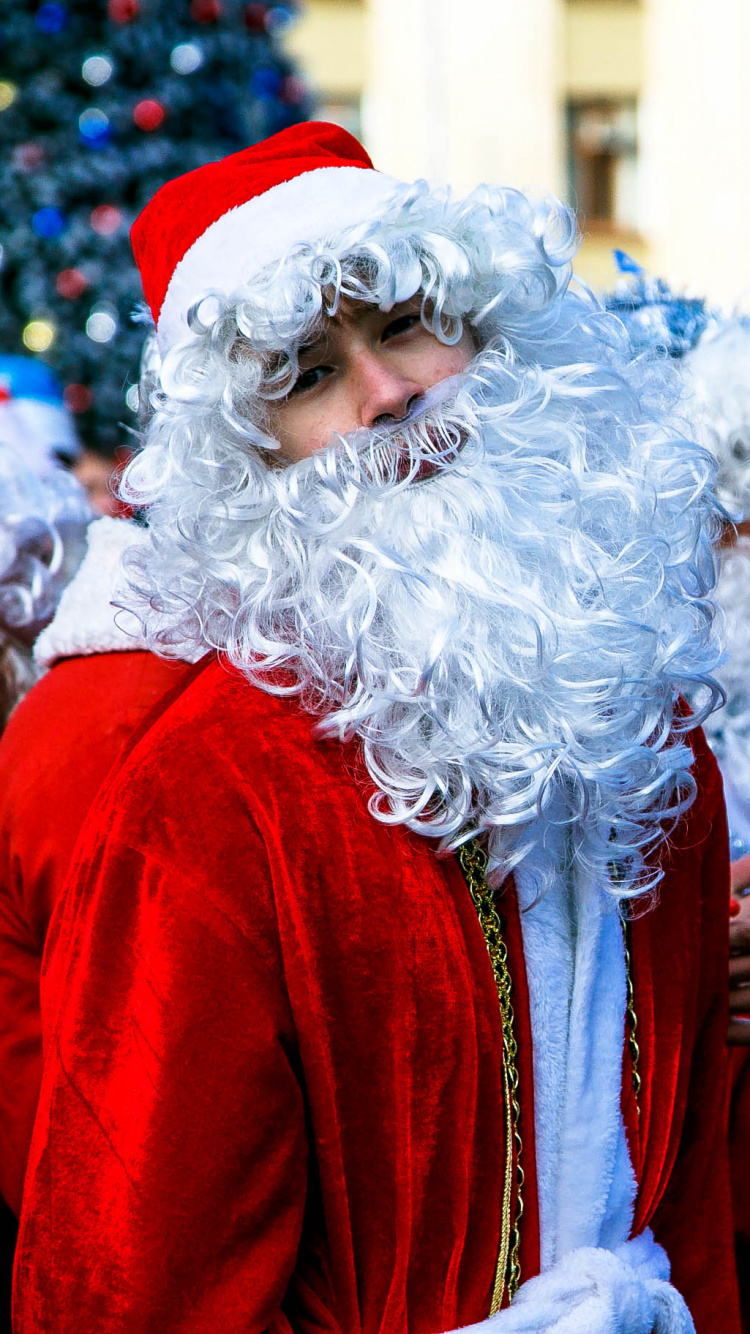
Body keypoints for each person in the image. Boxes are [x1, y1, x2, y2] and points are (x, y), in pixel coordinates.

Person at [13, 122, 739, 1332]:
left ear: (490, 333)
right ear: (249, 459)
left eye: (405, 323)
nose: (390, 393)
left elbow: (700, 1209)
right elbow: (136, 1287)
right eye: (306, 373)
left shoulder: (649, 729)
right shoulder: (204, 801)